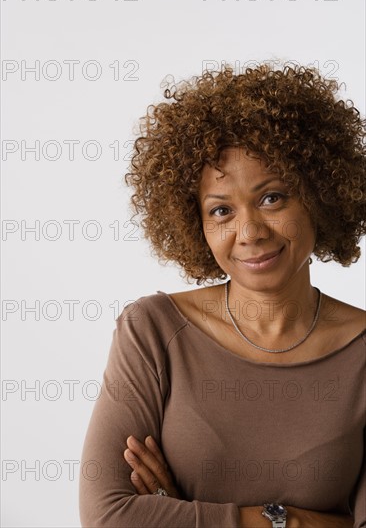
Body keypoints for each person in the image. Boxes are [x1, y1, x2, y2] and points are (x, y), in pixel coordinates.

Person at [79, 63, 366, 527]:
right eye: (221, 210)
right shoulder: (153, 332)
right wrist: (292, 522)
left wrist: (188, 515)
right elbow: (109, 517)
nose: (249, 231)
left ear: (320, 194)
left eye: (272, 197)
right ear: (197, 225)